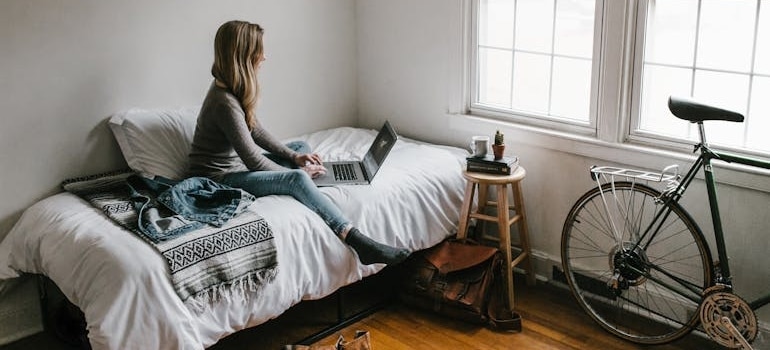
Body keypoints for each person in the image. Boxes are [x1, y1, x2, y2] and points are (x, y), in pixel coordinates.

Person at [187, 20, 410, 265]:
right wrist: (296, 173)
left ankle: (307, 183)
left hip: (236, 167)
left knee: (300, 149)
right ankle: (356, 239)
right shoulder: (224, 103)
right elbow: (252, 158)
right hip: (217, 180)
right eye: (258, 51)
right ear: (244, 55)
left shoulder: (230, 89)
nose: (264, 57)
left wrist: (294, 158)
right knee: (297, 178)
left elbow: (256, 132)